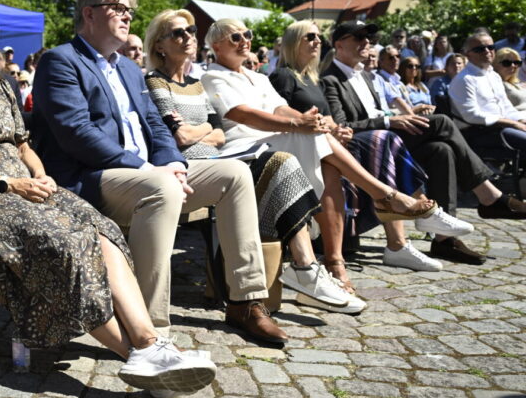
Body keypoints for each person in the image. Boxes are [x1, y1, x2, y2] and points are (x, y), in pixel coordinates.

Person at [0, 3, 217, 398]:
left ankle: (149, 339)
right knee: (66, 243)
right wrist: (8, 184)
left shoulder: (1, 88)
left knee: (100, 228)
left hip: (26, 188)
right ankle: (138, 351)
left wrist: (40, 175)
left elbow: (24, 147)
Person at [32, 0, 312, 342]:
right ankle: (149, 325)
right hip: (92, 178)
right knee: (162, 187)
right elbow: (77, 133)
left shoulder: (129, 69)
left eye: (129, 10)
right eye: (117, 9)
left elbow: (156, 126)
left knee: (235, 174)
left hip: (148, 173)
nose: (127, 16)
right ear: (89, 13)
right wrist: (150, 169)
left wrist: (174, 164)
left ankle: (246, 301)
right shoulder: (61, 61)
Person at [201, 19, 442, 295]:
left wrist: (307, 120)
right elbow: (241, 114)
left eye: (248, 34)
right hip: (244, 145)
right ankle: (385, 198)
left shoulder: (258, 76)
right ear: (216, 46)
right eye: (235, 37)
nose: (245, 40)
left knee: (327, 162)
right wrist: (298, 125)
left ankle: (335, 259)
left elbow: (280, 109)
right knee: (320, 140)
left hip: (275, 138)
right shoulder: (213, 76)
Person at [144, 10, 329, 320]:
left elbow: (218, 133)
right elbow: (183, 136)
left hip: (221, 161)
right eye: (178, 33)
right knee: (278, 161)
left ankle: (285, 277)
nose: (188, 36)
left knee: (294, 155)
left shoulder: (196, 84)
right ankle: (290, 274)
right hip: (191, 167)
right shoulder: (155, 81)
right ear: (159, 45)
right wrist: (203, 132)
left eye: (190, 30)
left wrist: (202, 132)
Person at [272, 20, 470, 275]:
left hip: (331, 143)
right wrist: (328, 127)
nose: (317, 41)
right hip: (305, 147)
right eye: (310, 37)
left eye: (319, 37)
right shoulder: (284, 76)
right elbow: (279, 116)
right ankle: (415, 218)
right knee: (384, 138)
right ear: (293, 41)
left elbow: (331, 118)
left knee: (428, 146)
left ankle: (406, 234)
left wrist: (337, 129)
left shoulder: (312, 77)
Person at [322, 22, 526, 265]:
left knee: (442, 150)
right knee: (441, 122)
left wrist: (400, 113)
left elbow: (375, 111)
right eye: (358, 37)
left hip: (388, 140)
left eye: (369, 37)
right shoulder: (330, 80)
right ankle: (489, 196)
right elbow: (343, 127)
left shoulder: (365, 76)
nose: (366, 42)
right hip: (364, 147)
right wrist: (390, 120)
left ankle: (444, 240)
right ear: (339, 44)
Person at [449, 31, 526, 156]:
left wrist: (521, 120)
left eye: (490, 47)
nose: (487, 51)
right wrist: (513, 123)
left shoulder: (494, 76)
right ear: (467, 54)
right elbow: (471, 115)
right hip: (480, 132)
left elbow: (506, 107)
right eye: (480, 49)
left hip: (501, 128)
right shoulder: (464, 79)